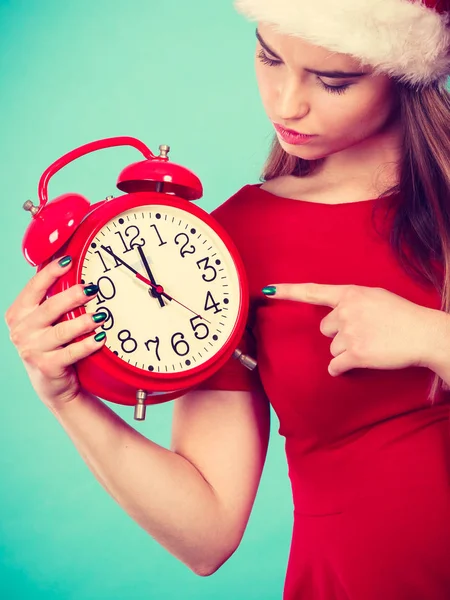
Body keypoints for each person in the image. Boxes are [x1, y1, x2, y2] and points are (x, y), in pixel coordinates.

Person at [5, 0, 450, 598]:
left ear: (405, 71)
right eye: (269, 57)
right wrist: (66, 400)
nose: (286, 104)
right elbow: (206, 532)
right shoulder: (226, 246)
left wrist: (430, 338)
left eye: (334, 80)